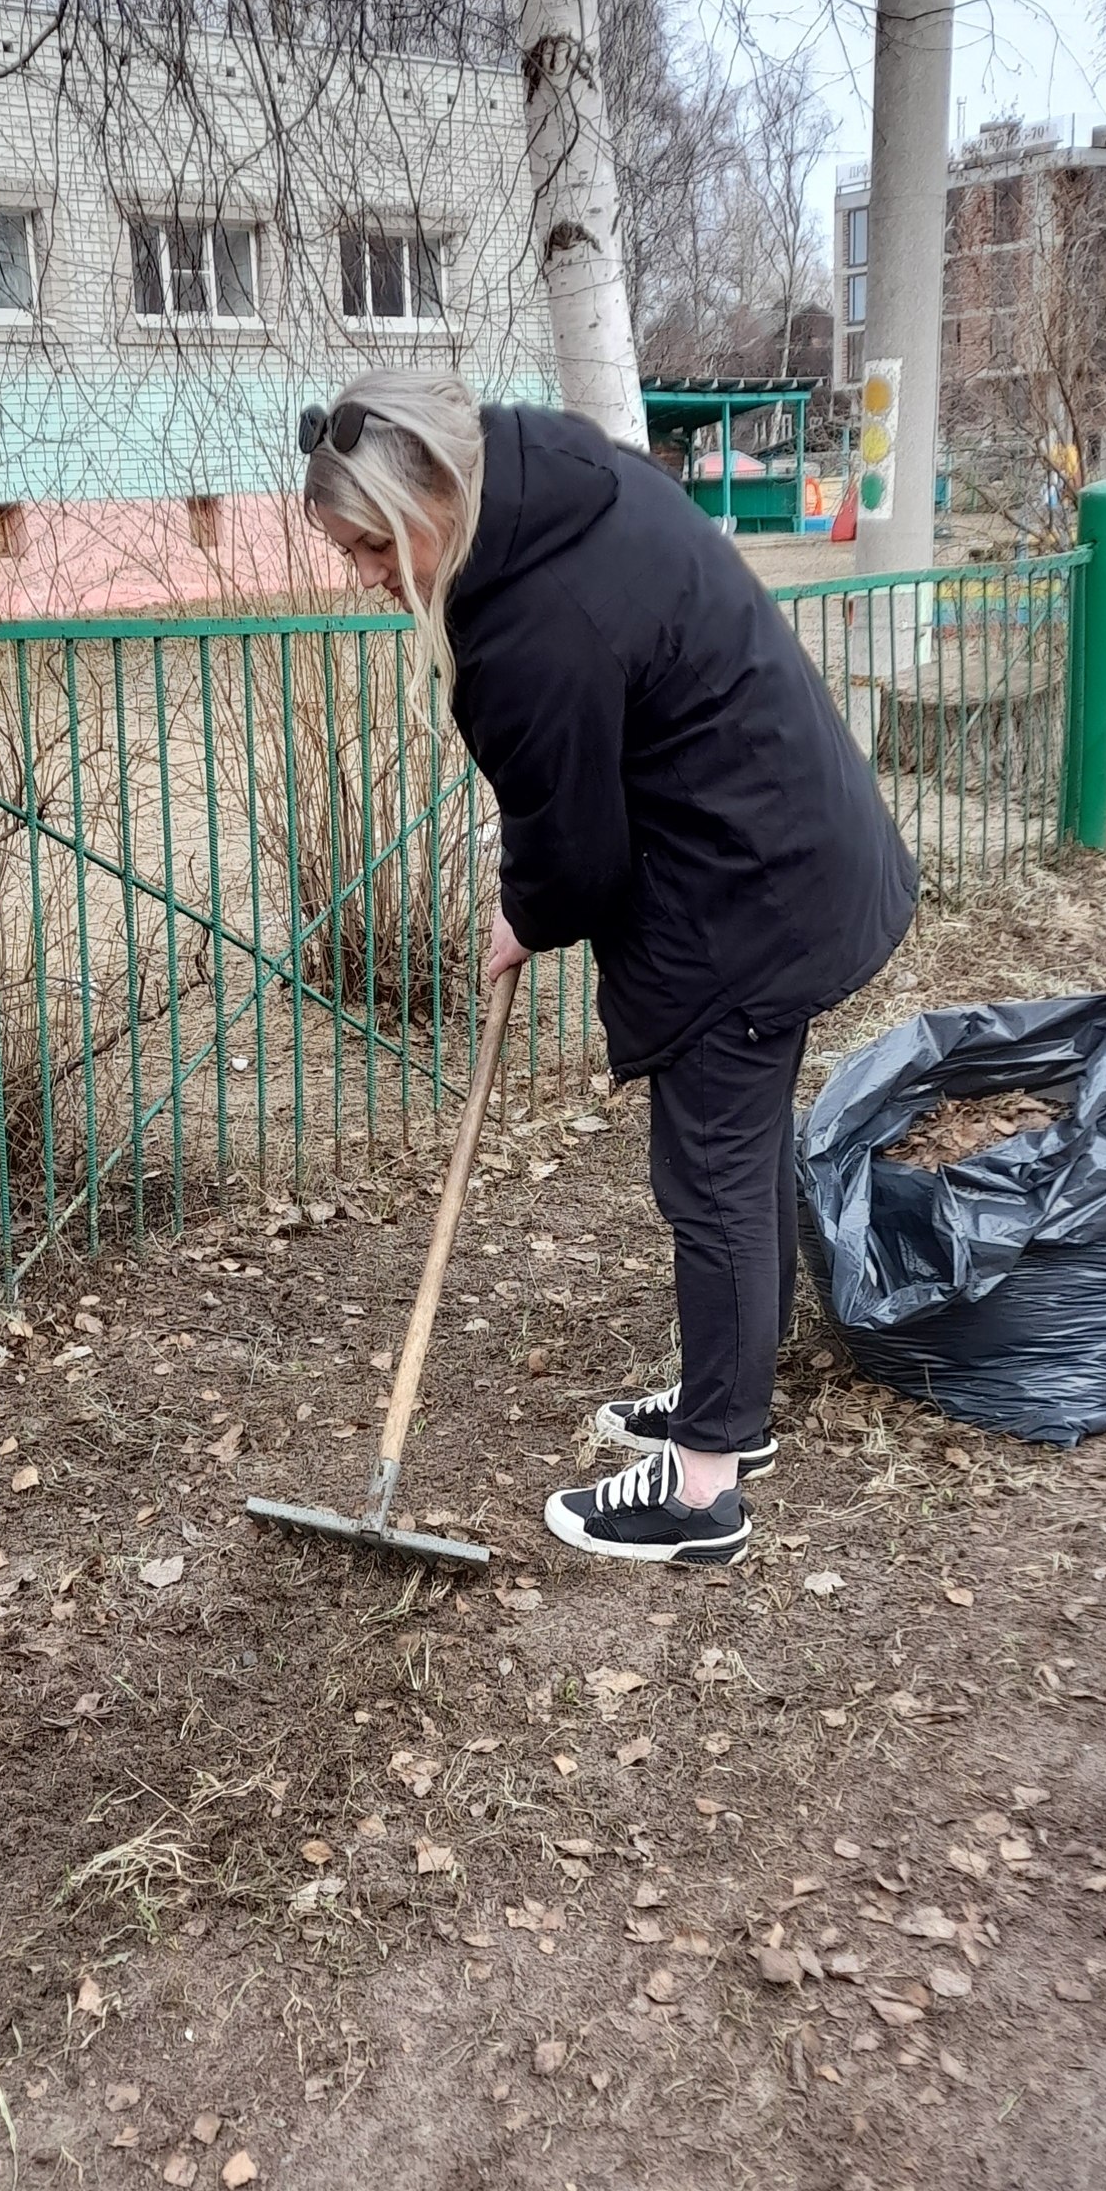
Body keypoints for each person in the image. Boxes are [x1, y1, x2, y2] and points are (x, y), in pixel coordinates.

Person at [300, 371, 916, 1567]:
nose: (367, 576)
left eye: (373, 545)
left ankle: (702, 1492)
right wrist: (535, 863)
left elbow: (576, 854)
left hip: (748, 890)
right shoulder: (550, 480)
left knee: (711, 1174)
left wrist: (522, 913)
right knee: (738, 1154)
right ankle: (726, 1411)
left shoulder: (530, 621)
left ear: (430, 494)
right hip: (776, 843)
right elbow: (586, 767)